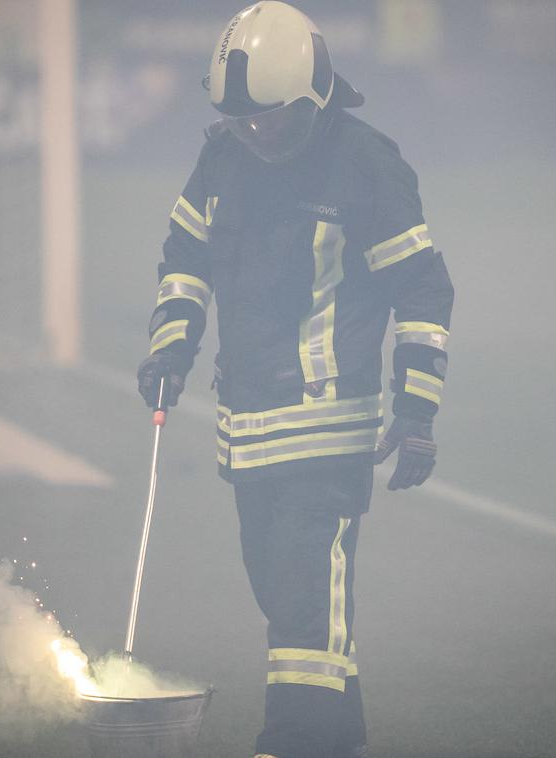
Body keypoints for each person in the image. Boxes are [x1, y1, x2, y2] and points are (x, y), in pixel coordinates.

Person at [135, 3, 454, 756]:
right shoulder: (223, 156)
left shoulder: (367, 162)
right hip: (247, 439)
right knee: (285, 601)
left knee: (303, 616)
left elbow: (422, 289)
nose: (256, 133)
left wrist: (416, 409)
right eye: (241, 120)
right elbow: (184, 257)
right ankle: (338, 741)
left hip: (327, 438)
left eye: (270, 120)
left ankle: (289, 745)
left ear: (315, 96)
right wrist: (169, 350)